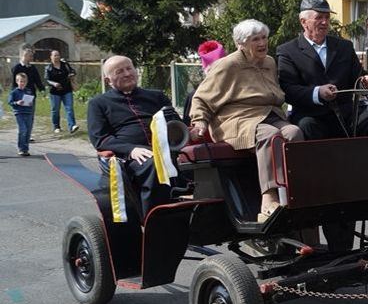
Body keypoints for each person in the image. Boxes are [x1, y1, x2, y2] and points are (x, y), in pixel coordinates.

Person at [189, 20, 303, 221]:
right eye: (255, 39)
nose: (262, 43)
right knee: (270, 136)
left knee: (294, 132)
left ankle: (296, 192)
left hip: (269, 114)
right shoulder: (228, 65)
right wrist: (199, 122)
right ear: (240, 44)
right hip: (236, 119)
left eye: (264, 38)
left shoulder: (269, 62)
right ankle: (268, 200)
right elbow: (201, 98)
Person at [277, 0, 368, 139]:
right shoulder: (288, 51)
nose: (324, 22)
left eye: (327, 17)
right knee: (306, 126)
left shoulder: (344, 47)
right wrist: (317, 93)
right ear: (303, 22)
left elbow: (357, 78)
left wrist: (365, 82)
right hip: (313, 117)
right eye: (319, 17)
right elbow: (288, 90)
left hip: (347, 116)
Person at [87, 56, 175, 216]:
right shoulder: (98, 103)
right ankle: (155, 219)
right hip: (129, 157)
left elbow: (175, 124)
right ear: (108, 80)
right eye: (119, 71)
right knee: (154, 165)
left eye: (129, 68)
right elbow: (100, 139)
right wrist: (131, 150)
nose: (127, 73)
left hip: (166, 149)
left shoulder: (157, 96)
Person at [10, 46, 44, 140]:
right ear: (24, 56)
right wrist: (14, 95)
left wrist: (42, 89)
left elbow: (37, 80)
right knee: (21, 115)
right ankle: (23, 133)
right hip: (19, 95)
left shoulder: (33, 68)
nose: (32, 58)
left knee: (30, 116)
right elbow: (14, 83)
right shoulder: (16, 68)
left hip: (30, 95)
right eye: (30, 56)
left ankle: (28, 135)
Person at [44, 50, 79, 134]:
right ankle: (56, 126)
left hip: (67, 89)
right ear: (51, 57)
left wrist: (72, 74)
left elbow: (73, 71)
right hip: (55, 92)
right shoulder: (48, 68)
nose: (57, 57)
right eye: (55, 55)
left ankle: (72, 126)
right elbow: (47, 80)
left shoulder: (65, 65)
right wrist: (54, 83)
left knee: (69, 108)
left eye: (58, 55)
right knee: (55, 110)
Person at [8, 71, 35, 156]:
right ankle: (21, 148)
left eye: (24, 81)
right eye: (21, 81)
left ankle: (25, 149)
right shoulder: (14, 92)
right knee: (22, 130)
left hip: (28, 112)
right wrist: (17, 102)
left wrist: (30, 103)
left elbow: (31, 101)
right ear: (17, 81)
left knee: (28, 131)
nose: (22, 83)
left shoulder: (29, 91)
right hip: (19, 113)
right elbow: (10, 102)